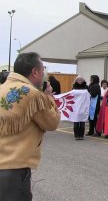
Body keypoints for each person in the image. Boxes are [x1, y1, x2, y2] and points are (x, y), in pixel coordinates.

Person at [0, 52, 60, 200]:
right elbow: (52, 122)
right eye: (42, 71)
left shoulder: (1, 88)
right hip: (14, 168)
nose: (43, 76)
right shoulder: (32, 94)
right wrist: (48, 98)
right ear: (34, 72)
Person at [72, 76, 89, 140]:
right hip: (76, 106)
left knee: (82, 121)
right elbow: (72, 95)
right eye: (78, 79)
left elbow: (88, 95)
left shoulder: (86, 87)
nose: (80, 81)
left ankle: (81, 135)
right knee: (76, 121)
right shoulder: (74, 86)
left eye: (81, 79)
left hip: (83, 106)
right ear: (76, 80)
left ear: (83, 80)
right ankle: (76, 135)